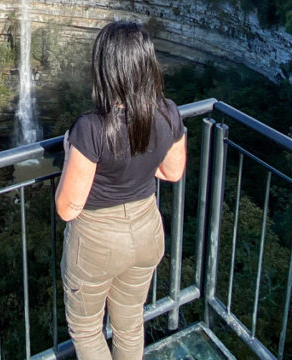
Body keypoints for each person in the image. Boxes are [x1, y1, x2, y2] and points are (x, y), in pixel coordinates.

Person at [55, 21, 187, 360]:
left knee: (87, 329)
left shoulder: (91, 128)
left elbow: (68, 208)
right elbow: (171, 172)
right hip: (146, 231)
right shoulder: (169, 113)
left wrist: (70, 150)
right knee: (129, 323)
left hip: (98, 242)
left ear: (105, 69)